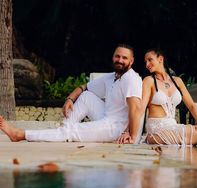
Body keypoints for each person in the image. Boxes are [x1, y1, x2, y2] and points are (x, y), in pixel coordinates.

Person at [0, 44, 143, 143]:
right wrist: (69, 99)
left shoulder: (131, 79)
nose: (120, 60)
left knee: (72, 131)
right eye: (117, 56)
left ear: (131, 61)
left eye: (124, 58)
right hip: (107, 117)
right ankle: (63, 130)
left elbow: (136, 110)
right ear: (113, 57)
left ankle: (21, 134)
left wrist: (131, 135)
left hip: (117, 128)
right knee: (86, 96)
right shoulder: (111, 77)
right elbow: (83, 87)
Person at [119, 48, 197, 147]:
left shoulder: (177, 81)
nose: (147, 64)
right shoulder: (149, 81)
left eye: (150, 60)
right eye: (145, 62)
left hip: (173, 127)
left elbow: (192, 105)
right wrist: (129, 132)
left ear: (160, 59)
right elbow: (140, 109)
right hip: (157, 131)